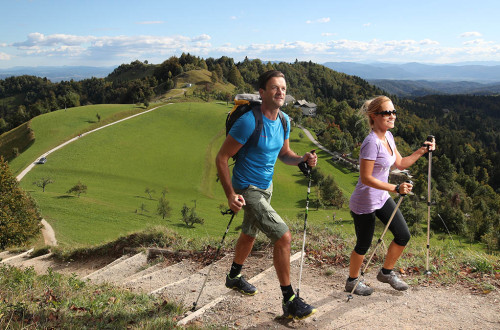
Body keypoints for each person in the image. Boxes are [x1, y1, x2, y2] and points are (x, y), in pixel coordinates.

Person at [216, 70, 318, 319]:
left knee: (249, 233)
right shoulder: (249, 121)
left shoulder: (284, 121)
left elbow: (284, 154)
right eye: (274, 87)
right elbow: (221, 157)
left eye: (283, 88)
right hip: (246, 188)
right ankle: (289, 299)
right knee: (283, 237)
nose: (280, 92)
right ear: (262, 93)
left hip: (266, 187)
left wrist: (302, 159)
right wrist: (230, 194)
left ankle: (234, 276)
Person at [345, 95, 436, 296]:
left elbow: (400, 164)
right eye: (387, 112)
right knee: (363, 244)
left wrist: (423, 150)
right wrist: (395, 189)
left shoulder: (388, 137)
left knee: (403, 235)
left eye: (393, 112)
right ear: (373, 116)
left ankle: (386, 272)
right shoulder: (371, 142)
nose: (392, 116)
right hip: (365, 201)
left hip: (381, 198)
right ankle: (352, 281)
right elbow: (366, 178)